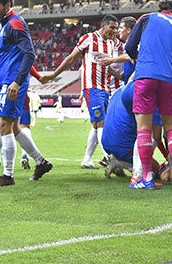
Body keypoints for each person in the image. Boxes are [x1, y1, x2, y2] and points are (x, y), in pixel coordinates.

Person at [124, 0, 172, 189]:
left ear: (160, 9)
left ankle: (146, 178)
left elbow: (129, 47)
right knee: (171, 127)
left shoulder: (146, 18)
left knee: (144, 129)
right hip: (170, 80)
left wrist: (143, 59)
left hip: (145, 76)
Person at [0, 0, 52, 186]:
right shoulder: (6, 23)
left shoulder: (15, 23)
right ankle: (41, 162)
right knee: (14, 127)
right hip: (8, 80)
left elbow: (29, 54)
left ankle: (8, 175)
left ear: (7, 5)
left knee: (4, 125)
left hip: (12, 81)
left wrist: (16, 81)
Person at [41, 15, 120, 169]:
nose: (114, 31)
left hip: (106, 89)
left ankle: (87, 159)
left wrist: (120, 76)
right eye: (112, 27)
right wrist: (54, 75)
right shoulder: (88, 38)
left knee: (97, 125)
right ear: (103, 26)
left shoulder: (111, 44)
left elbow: (107, 66)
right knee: (101, 122)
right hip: (92, 87)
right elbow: (71, 58)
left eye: (116, 28)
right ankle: (111, 160)